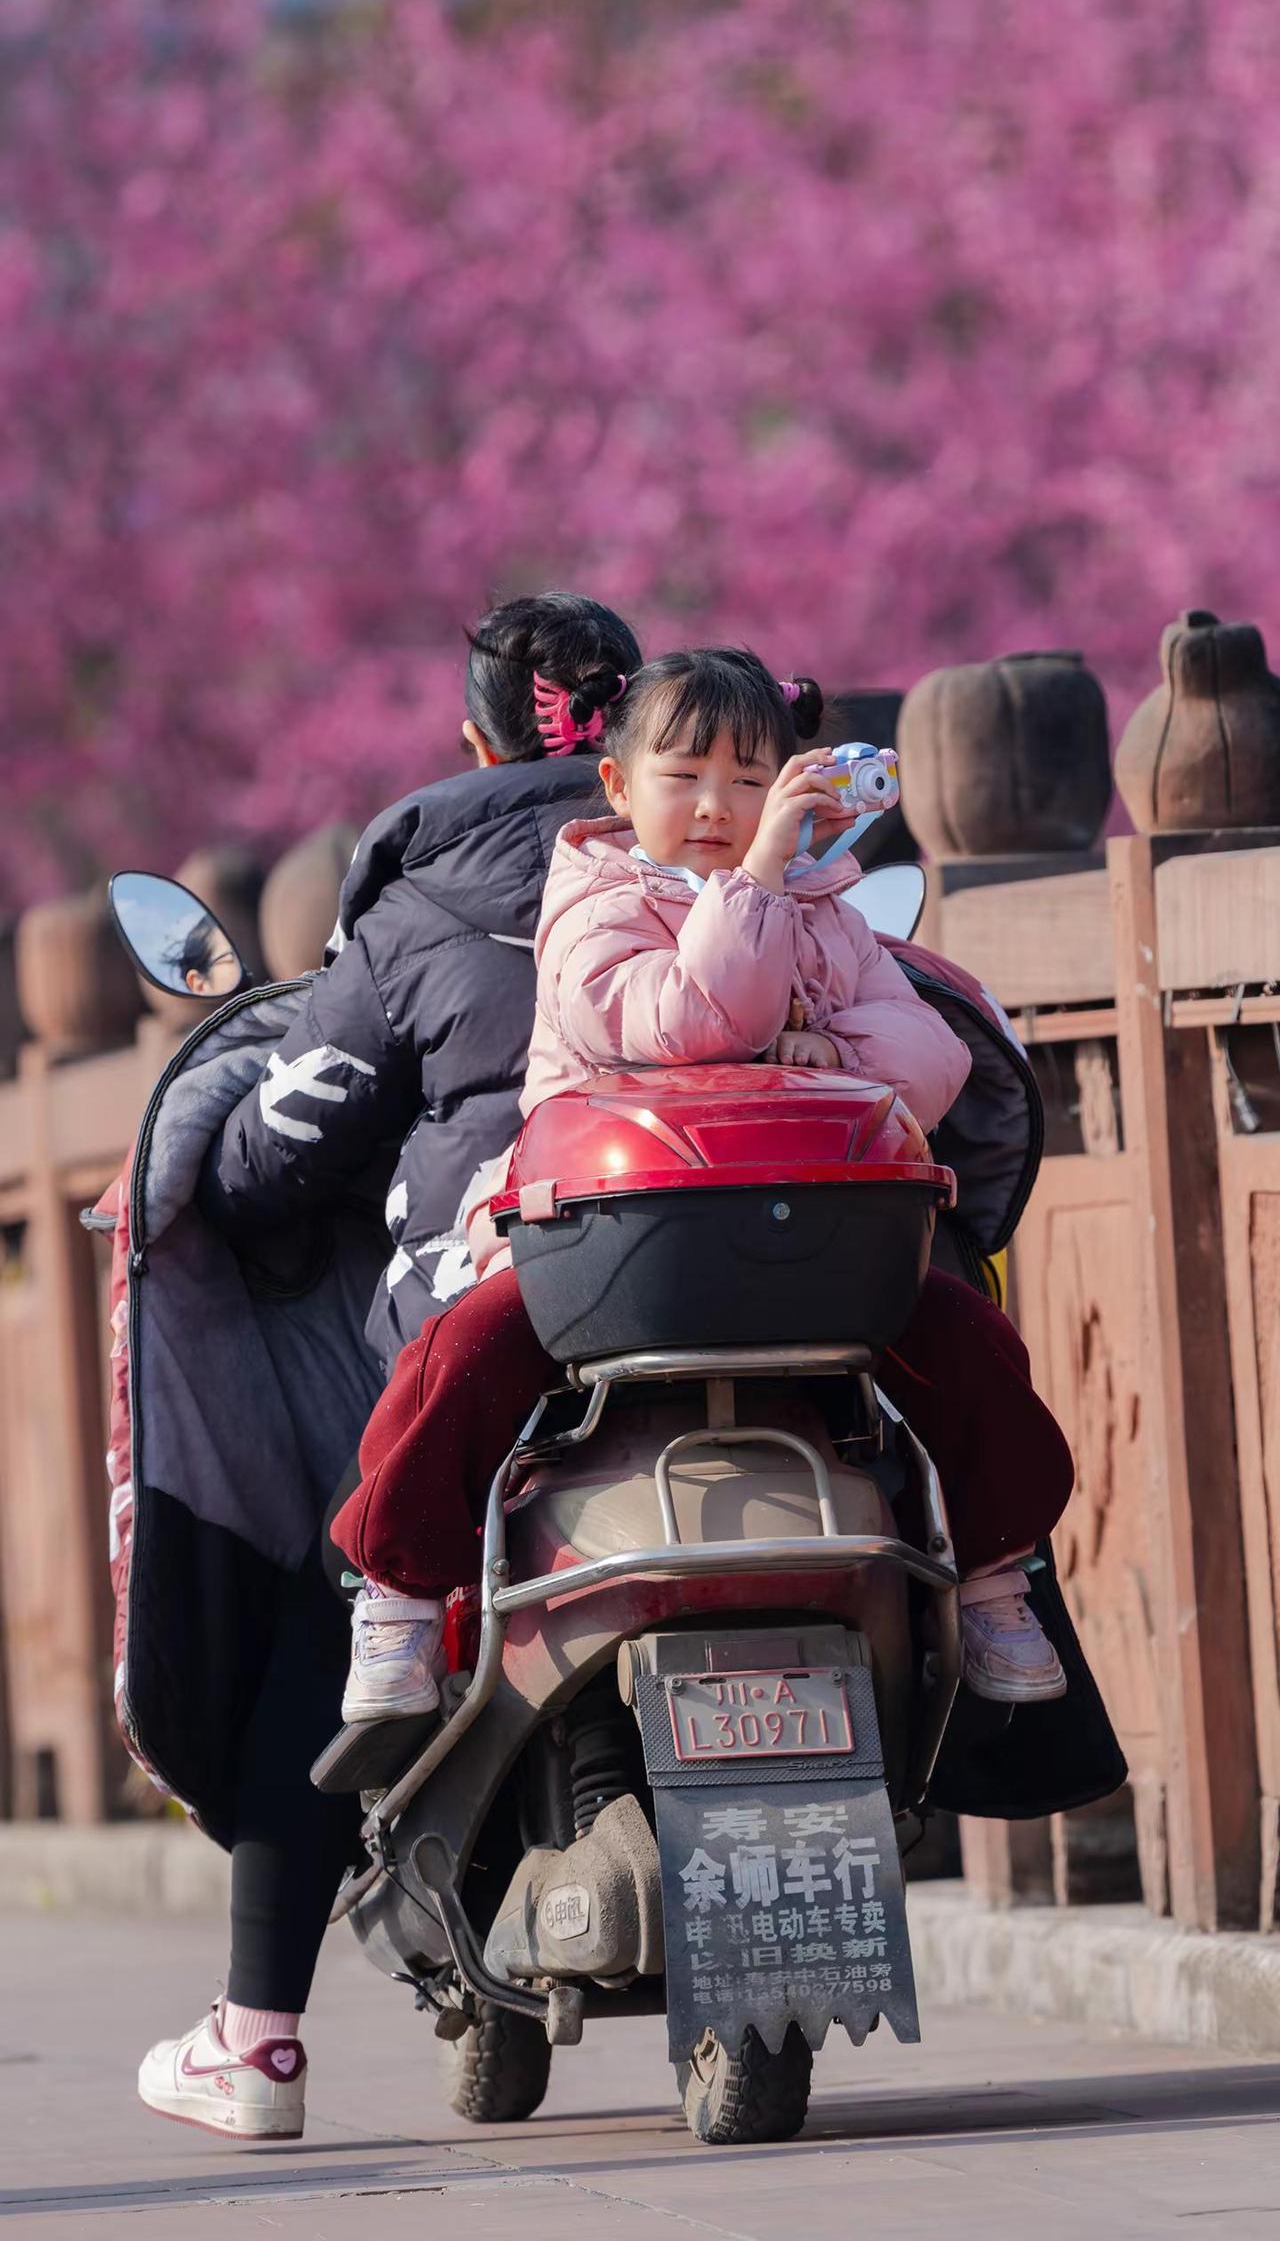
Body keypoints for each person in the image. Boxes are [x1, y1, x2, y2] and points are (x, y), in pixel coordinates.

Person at [331, 647, 1075, 1732]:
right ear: (618, 785)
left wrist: (832, 1051)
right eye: (683, 777)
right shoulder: (593, 902)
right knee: (461, 1354)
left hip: (808, 1233)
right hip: (606, 1240)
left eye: (747, 780)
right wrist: (762, 888)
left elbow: (928, 1051)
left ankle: (993, 1576)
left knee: (967, 1342)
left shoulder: (825, 907)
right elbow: (689, 1022)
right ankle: (399, 1595)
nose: (717, 807)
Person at [136, 591, 643, 2143]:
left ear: (477, 740)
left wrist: (219, 1153)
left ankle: (258, 2037)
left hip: (499, 1318)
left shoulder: (423, 905)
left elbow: (281, 1150)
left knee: (340, 1593)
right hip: (751, 1291)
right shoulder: (728, 861)